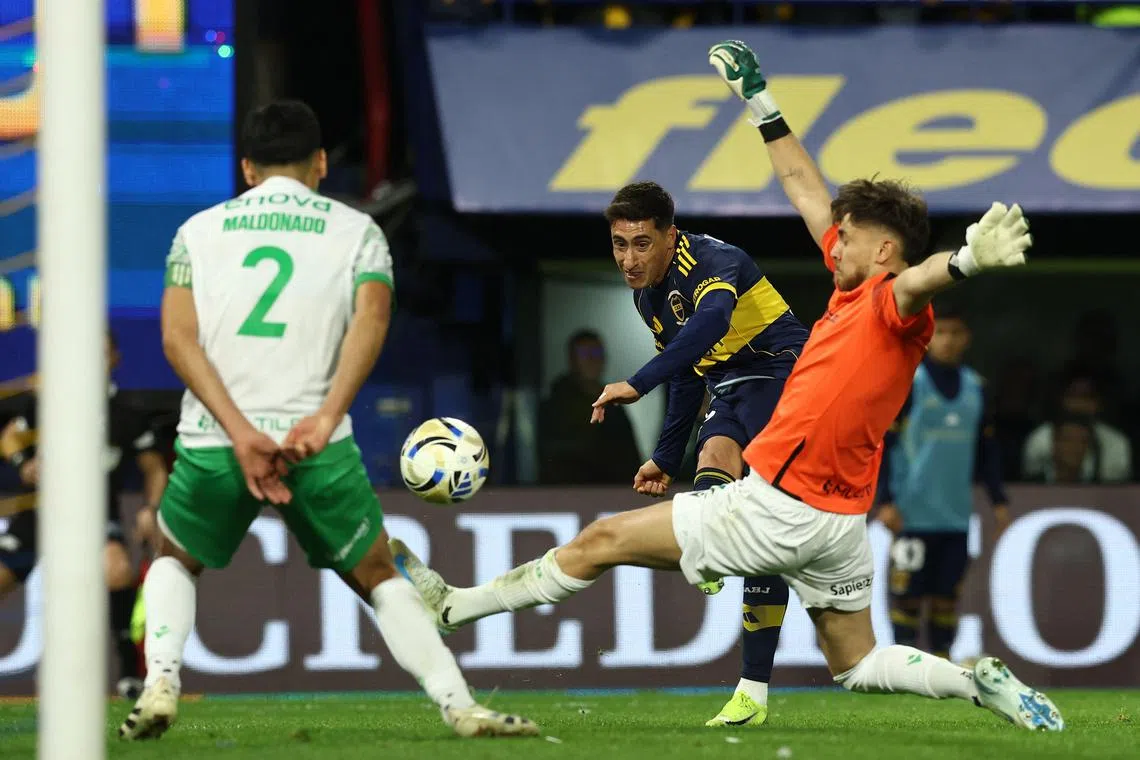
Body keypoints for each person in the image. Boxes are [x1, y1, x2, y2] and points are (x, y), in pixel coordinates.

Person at [389, 41, 1062, 732]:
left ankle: (456, 607)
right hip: (838, 526)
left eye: (849, 237)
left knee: (600, 541)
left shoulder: (890, 301)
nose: (836, 244)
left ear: (883, 251)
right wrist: (759, 101)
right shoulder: (852, 282)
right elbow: (802, 183)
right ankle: (974, 682)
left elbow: (922, 281)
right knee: (856, 662)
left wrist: (970, 259)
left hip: (780, 509)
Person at [119, 100, 537, 740]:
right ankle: (460, 705)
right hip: (316, 441)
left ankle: (160, 686)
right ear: (320, 163)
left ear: (247, 168)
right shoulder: (358, 231)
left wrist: (239, 432)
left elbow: (178, 340)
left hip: (215, 440)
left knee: (175, 556)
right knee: (376, 574)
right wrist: (324, 417)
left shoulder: (196, 232)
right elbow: (371, 322)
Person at [592, 180, 809, 726]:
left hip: (786, 373)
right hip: (733, 385)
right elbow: (689, 372)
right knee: (710, 461)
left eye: (642, 243)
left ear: (670, 235)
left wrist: (637, 383)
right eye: (620, 244)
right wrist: (665, 457)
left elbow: (710, 324)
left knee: (760, 525)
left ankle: (715, 549)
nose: (629, 259)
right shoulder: (646, 297)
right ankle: (750, 692)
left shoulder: (716, 260)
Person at [0, 332, 167, 700]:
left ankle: (129, 673)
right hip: (39, 512)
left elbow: (154, 468)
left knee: (118, 569)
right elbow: (10, 435)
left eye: (101, 352)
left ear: (114, 359)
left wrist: (150, 509)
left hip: (94, 516)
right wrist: (23, 463)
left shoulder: (126, 414)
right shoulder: (50, 401)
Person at [874, 306, 1010, 662]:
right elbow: (884, 444)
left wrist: (998, 500)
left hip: (955, 514)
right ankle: (902, 665)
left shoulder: (976, 388)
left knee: (947, 594)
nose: (948, 340)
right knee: (908, 593)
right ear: (929, 336)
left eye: (956, 333)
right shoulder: (908, 383)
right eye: (942, 332)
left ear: (967, 339)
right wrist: (884, 499)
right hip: (911, 512)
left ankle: (942, 662)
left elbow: (987, 450)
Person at [539, 330, 642, 485]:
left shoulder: (614, 403)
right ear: (572, 359)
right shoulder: (557, 406)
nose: (592, 358)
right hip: (568, 494)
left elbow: (630, 457)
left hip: (616, 494)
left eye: (596, 352)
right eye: (584, 353)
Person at [1022, 375, 1132, 482]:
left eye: (1086, 397)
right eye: (1073, 395)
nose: (1079, 403)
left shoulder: (1117, 442)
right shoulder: (1039, 438)